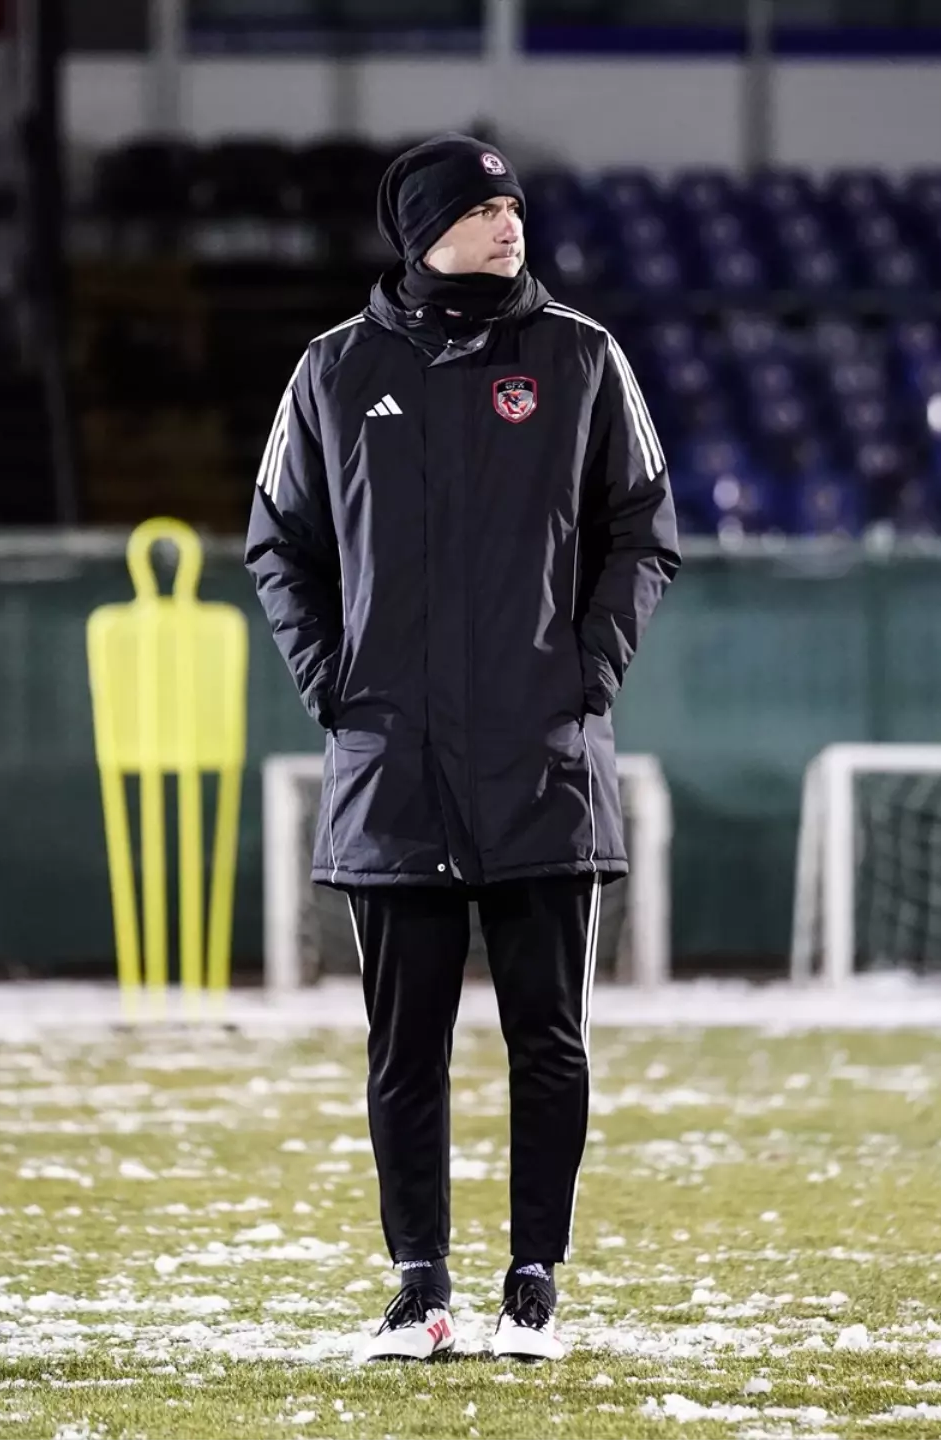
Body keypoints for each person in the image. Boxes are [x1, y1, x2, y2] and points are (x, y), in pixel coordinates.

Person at [246, 133, 679, 1361]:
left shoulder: (581, 356)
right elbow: (278, 544)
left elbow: (644, 531)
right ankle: (419, 1289)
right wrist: (337, 688)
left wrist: (585, 679)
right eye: (483, 209)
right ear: (423, 230)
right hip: (395, 771)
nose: (508, 223)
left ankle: (532, 1286)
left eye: (514, 206)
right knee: (405, 1050)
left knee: (550, 1039)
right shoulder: (333, 370)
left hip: (544, 762)